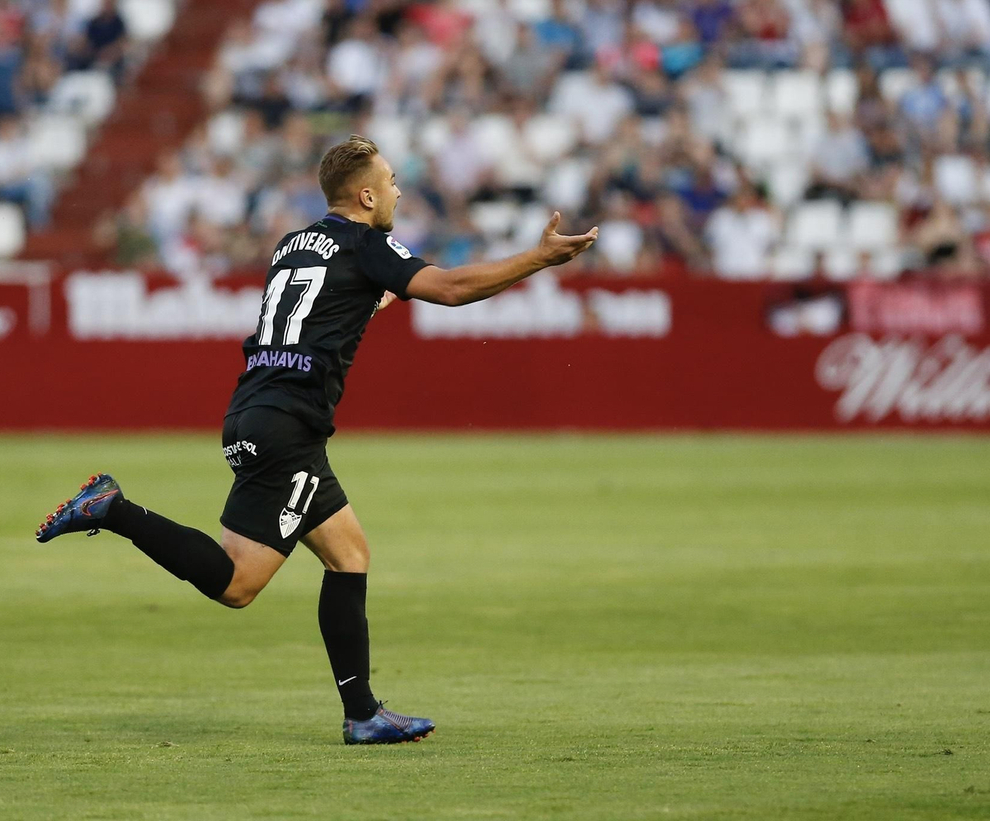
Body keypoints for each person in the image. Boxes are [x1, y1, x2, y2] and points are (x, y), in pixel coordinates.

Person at [35, 136, 598, 744]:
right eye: (389, 182)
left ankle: (364, 715)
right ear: (365, 195)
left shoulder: (294, 242)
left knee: (348, 554)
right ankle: (113, 509)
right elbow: (453, 289)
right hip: (290, 427)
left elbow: (329, 305)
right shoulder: (367, 242)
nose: (398, 191)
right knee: (238, 584)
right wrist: (538, 259)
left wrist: (373, 302)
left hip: (253, 410)